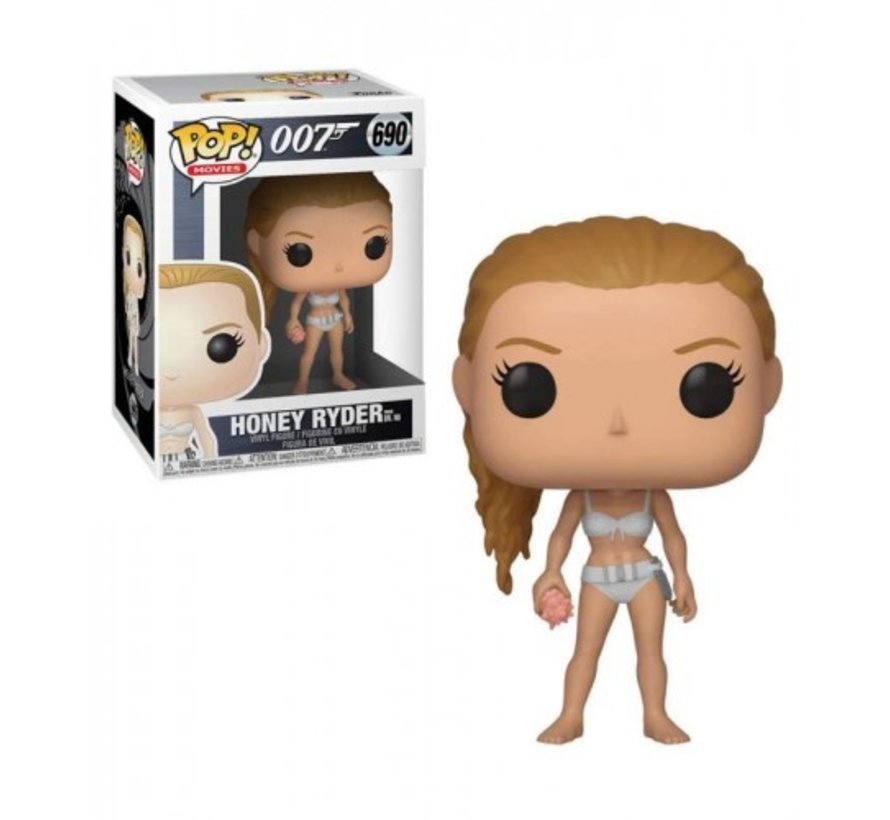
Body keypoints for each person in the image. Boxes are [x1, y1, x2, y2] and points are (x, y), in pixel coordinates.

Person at [453, 217, 782, 744]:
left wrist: (683, 577)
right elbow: (560, 537)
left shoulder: (654, 495)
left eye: (706, 387)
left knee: (651, 651)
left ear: (769, 385)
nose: (618, 425)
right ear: (466, 386)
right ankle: (571, 715)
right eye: (529, 386)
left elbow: (674, 536)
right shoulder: (582, 497)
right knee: (586, 650)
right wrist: (550, 572)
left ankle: (655, 715)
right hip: (598, 579)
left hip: (646, 576)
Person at [245, 172, 393, 394]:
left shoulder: (337, 286)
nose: (338, 266)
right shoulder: (308, 288)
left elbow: (344, 299)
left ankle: (338, 375)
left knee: (337, 351)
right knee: (310, 353)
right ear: (256, 243)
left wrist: (348, 315)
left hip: (335, 319)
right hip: (315, 320)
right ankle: (302, 381)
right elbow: (296, 304)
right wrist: (293, 320)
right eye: (299, 251)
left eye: (375, 245)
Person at [159, 263, 270, 461]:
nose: (173, 371)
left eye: (222, 347)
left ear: (260, 345)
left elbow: (207, 439)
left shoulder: (193, 412)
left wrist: (211, 459)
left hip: (186, 458)